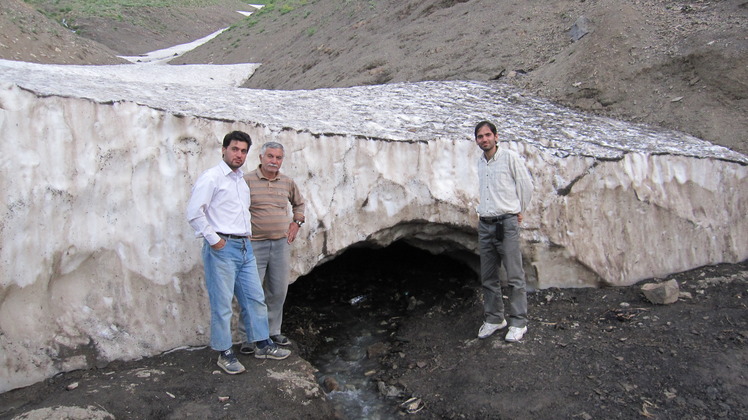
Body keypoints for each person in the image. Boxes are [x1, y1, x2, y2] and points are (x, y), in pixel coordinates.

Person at [186, 131, 291, 375]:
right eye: (235, 149)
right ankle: (225, 353)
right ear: (224, 150)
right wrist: (215, 241)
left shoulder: (240, 181)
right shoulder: (212, 178)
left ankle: (262, 343)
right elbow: (194, 212)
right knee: (222, 303)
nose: (239, 155)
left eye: (243, 151)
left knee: (254, 298)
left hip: (245, 247)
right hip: (223, 248)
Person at [238, 141, 306, 355]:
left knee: (277, 290)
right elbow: (234, 207)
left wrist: (297, 222)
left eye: (278, 158)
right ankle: (249, 337)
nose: (274, 161)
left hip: (280, 244)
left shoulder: (287, 182)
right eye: (270, 156)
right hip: (253, 244)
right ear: (260, 157)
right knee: (252, 291)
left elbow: (299, 204)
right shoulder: (246, 180)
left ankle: (272, 330)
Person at [474, 121, 534, 342]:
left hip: (506, 223)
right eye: (480, 137)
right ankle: (494, 318)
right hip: (486, 224)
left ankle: (519, 322)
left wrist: (520, 210)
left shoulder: (509, 158)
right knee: (488, 275)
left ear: (496, 137)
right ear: (477, 140)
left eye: (488, 135)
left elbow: (525, 185)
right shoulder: (480, 162)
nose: (484, 139)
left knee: (514, 275)